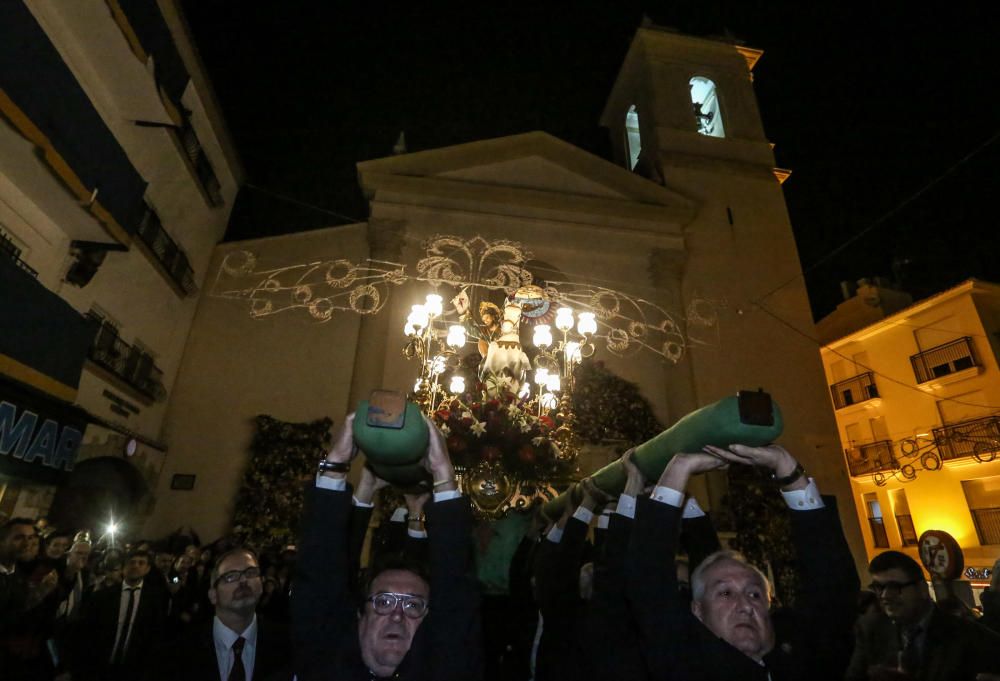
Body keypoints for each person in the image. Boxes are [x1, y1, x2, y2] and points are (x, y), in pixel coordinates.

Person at [625, 443, 860, 681]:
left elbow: (834, 590)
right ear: (697, 610)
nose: (745, 606)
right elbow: (647, 579)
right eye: (725, 593)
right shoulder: (685, 666)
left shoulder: (808, 665)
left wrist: (787, 468)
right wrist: (679, 467)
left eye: (755, 594)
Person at [291, 413, 481, 681]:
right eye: (383, 601)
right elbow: (319, 574)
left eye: (413, 605)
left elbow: (457, 591)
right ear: (360, 616)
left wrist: (444, 474)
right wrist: (335, 463)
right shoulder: (323, 664)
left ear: (430, 621)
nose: (396, 616)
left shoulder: (446, 670)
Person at [845, 550, 1000, 680]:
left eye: (895, 587)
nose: (885, 595)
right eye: (879, 587)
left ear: (922, 589)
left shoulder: (967, 636)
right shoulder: (871, 630)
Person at [147, 547, 291, 680]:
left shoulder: (289, 646)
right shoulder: (177, 653)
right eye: (230, 576)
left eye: (251, 573)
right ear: (213, 595)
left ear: (261, 585)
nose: (243, 581)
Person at [71, 548, 168, 680]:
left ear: (147, 569)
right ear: (123, 568)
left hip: (132, 667)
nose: (135, 566)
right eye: (132, 562)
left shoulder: (153, 599)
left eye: (141, 563)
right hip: (99, 664)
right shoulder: (103, 596)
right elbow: (88, 629)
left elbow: (154, 633)